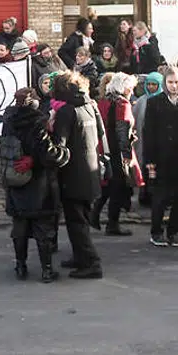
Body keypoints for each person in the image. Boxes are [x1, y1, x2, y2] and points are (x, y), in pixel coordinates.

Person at [2, 87, 70, 282]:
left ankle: (20, 265)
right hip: (38, 182)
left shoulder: (8, 121)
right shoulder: (38, 123)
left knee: (20, 227)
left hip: (15, 179)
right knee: (43, 228)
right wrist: (64, 153)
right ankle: (47, 269)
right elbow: (47, 154)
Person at [53, 71, 107, 279]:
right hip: (91, 171)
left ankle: (91, 263)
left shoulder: (67, 111)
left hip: (73, 174)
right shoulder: (90, 106)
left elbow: (60, 145)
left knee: (77, 222)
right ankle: (80, 257)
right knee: (81, 218)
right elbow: (100, 135)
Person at [144, 66, 178, 247]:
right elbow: (148, 132)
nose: (174, 86)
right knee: (160, 197)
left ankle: (173, 232)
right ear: (165, 84)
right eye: (170, 82)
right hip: (161, 156)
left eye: (176, 82)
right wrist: (149, 160)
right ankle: (156, 231)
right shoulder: (154, 103)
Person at [92, 73, 138, 235]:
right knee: (118, 186)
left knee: (109, 185)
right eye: (130, 88)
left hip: (104, 148)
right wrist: (127, 156)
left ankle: (95, 214)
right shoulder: (122, 105)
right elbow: (121, 133)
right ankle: (112, 223)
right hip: (117, 152)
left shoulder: (103, 102)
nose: (132, 92)